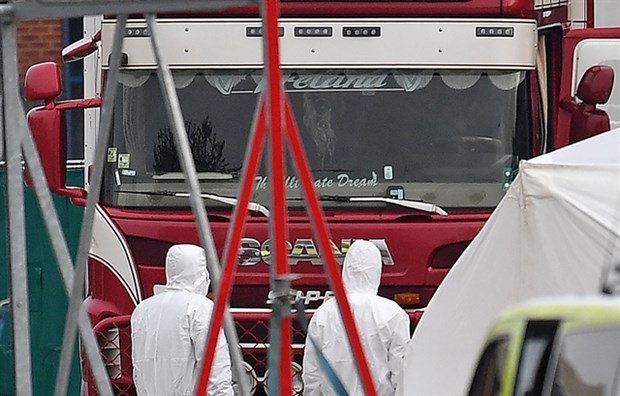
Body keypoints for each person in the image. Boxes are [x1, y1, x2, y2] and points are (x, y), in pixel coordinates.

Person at [302, 239, 411, 396]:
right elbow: (400, 370)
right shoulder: (393, 313)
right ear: (377, 269)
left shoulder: (324, 313)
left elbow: (312, 370)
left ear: (346, 269)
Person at [131, 244, 233, 396]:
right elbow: (215, 369)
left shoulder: (142, 310)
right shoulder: (200, 307)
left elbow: (138, 371)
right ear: (200, 271)